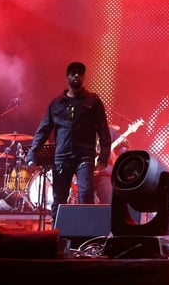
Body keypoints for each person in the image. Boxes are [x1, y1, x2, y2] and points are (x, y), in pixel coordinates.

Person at [26, 61, 112, 219]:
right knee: (59, 197)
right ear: (67, 77)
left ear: (84, 76)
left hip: (84, 156)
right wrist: (32, 154)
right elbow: (43, 130)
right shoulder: (57, 103)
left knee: (86, 193)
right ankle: (56, 233)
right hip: (62, 158)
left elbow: (103, 130)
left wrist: (104, 155)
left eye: (80, 72)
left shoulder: (93, 102)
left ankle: (86, 235)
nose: (77, 75)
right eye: (73, 73)